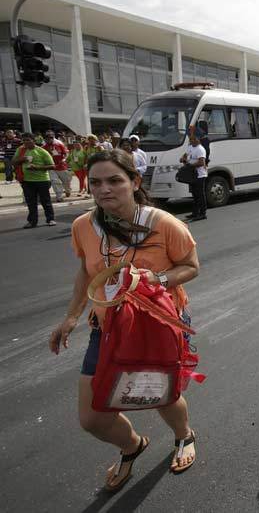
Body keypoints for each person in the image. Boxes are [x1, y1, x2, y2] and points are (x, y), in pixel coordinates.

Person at [49, 149, 201, 491]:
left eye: (115, 180)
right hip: (106, 327)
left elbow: (191, 267)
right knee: (91, 417)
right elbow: (85, 272)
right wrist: (71, 317)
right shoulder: (84, 226)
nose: (105, 189)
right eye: (97, 182)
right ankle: (132, 445)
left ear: (134, 182)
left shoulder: (164, 224)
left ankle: (184, 435)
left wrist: (157, 279)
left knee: (161, 394)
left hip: (158, 323)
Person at [12, 133, 56, 228]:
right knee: (31, 203)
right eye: (24, 140)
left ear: (33, 140)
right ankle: (32, 221)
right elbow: (14, 162)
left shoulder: (41, 151)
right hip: (27, 181)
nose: (26, 142)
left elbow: (52, 166)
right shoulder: (21, 150)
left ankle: (50, 219)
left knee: (45, 201)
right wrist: (21, 159)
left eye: (28, 140)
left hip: (42, 180)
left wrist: (37, 167)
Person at [180, 135, 208, 221]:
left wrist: (191, 165)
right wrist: (183, 159)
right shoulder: (190, 147)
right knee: (195, 195)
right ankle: (195, 213)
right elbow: (185, 155)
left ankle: (203, 214)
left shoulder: (200, 149)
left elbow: (201, 162)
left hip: (200, 175)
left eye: (193, 139)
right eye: (190, 139)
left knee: (200, 195)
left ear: (198, 140)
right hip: (192, 175)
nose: (191, 141)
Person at [44, 130, 72, 201]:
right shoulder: (44, 147)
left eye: (50, 137)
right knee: (55, 181)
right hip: (52, 167)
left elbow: (66, 153)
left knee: (66, 180)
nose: (49, 139)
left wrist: (64, 159)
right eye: (47, 138)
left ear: (53, 138)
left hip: (62, 166)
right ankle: (59, 196)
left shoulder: (59, 144)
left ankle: (68, 190)